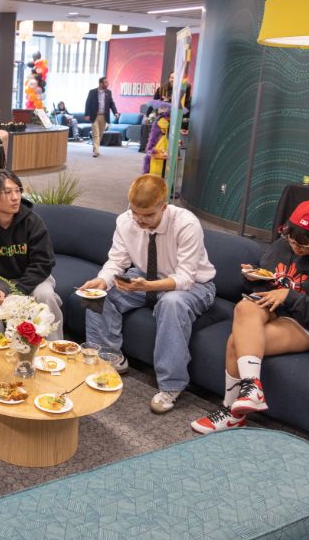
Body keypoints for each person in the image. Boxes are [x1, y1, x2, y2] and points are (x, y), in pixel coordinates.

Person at [191, 201, 309, 434]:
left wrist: (289, 296)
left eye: (304, 243)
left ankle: (231, 413)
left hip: (305, 323)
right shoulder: (284, 244)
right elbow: (269, 280)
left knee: (237, 341)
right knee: (245, 307)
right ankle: (252, 388)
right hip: (274, 308)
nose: (296, 246)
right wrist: (253, 278)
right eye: (292, 239)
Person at [80, 174, 216, 413]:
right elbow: (116, 261)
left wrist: (147, 287)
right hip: (144, 276)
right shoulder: (125, 221)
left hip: (194, 285)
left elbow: (185, 278)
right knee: (99, 294)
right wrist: (102, 280)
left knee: (171, 303)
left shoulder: (186, 223)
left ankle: (171, 385)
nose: (140, 221)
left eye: (148, 216)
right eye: (136, 214)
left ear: (164, 207)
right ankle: (109, 358)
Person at [0, 170, 63, 339]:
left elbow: (43, 263)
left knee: (46, 295)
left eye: (17, 190)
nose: (15, 197)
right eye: (8, 192)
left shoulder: (32, 222)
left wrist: (19, 291)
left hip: (30, 279)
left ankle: (53, 351)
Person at [84, 76, 119, 158]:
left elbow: (111, 103)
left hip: (104, 116)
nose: (108, 84)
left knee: (100, 134)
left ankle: (95, 148)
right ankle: (96, 151)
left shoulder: (108, 92)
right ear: (101, 83)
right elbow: (87, 103)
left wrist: (115, 112)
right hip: (94, 116)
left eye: (108, 82)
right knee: (96, 134)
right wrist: (86, 114)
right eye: (106, 82)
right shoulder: (92, 92)